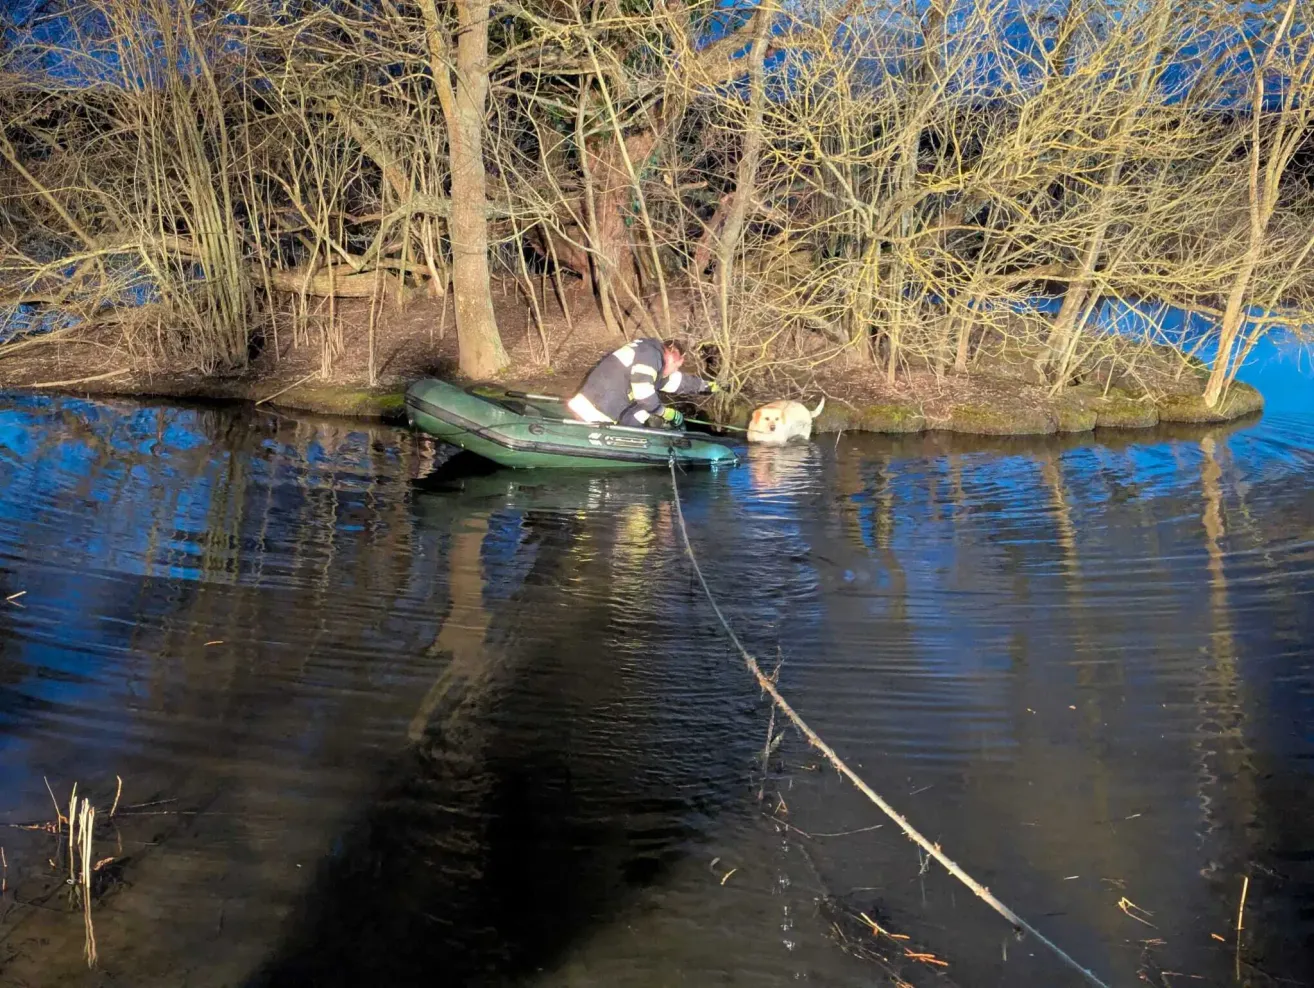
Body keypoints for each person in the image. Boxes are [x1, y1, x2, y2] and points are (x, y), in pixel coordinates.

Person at [567, 338, 719, 428]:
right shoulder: (650, 356)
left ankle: (632, 433)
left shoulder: (652, 358)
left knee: (644, 410)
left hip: (602, 407)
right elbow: (643, 393)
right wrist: (665, 413)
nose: (675, 370)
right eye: (677, 366)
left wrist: (705, 386)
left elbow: (676, 382)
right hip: (594, 411)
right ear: (672, 357)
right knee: (648, 407)